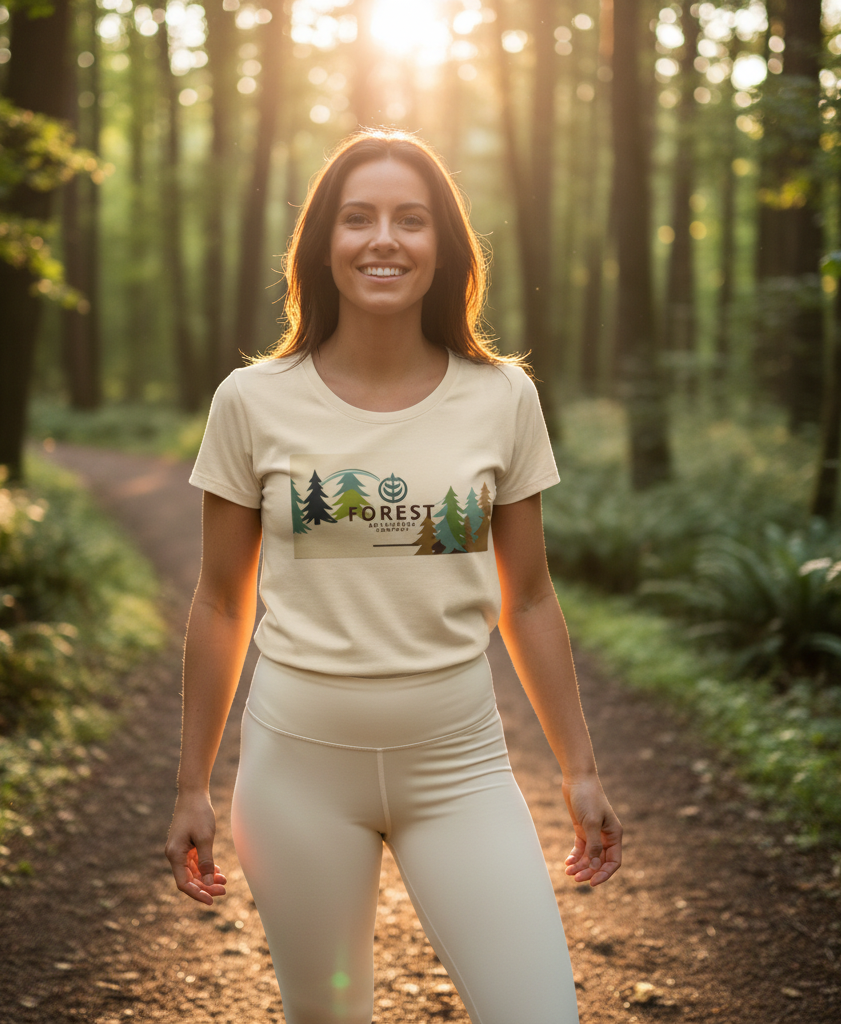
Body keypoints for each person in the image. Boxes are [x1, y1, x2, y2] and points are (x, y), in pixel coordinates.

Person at [164, 129, 622, 1024]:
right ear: (321, 245)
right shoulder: (251, 401)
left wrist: (581, 768)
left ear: (444, 247)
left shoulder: (503, 397)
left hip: (459, 767)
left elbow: (526, 596)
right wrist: (191, 786)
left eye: (411, 220)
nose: (385, 239)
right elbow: (221, 601)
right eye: (358, 218)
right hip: (297, 774)